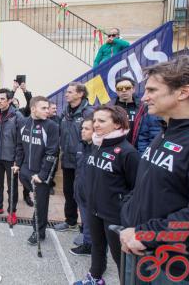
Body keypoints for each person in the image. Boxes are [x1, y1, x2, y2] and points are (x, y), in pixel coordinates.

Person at [120, 56, 189, 284]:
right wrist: (129, 216)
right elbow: (145, 186)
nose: (144, 98)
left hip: (179, 270)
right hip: (146, 256)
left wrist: (147, 234)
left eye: (152, 90)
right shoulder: (165, 132)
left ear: (183, 92)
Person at [73, 105, 139, 285]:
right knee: (97, 247)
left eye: (102, 121)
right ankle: (95, 277)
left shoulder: (128, 152)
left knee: (121, 258)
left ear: (117, 124)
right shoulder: (96, 144)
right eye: (94, 120)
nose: (96, 125)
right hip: (93, 209)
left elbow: (135, 188)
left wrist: (122, 210)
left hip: (114, 215)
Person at [13, 96, 59, 245]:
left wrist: (43, 175)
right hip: (26, 170)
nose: (47, 111)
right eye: (43, 108)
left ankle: (39, 232)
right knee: (38, 201)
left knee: (41, 203)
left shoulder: (51, 126)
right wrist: (17, 164)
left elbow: (52, 153)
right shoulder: (24, 123)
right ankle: (37, 223)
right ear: (33, 109)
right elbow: (20, 146)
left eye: (48, 108)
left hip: (41, 173)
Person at [55, 82, 93, 232]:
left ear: (80, 94)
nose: (66, 94)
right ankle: (70, 221)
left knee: (83, 194)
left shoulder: (89, 112)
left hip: (82, 160)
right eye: (67, 92)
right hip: (67, 160)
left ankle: (87, 227)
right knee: (68, 192)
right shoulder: (64, 113)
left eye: (70, 92)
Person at [0, 88, 25, 225]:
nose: (0, 101)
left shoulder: (17, 116)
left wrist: (17, 160)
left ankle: (12, 211)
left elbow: (21, 141)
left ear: (9, 101)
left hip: (11, 158)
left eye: (3, 99)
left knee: (12, 186)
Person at [69, 116, 94, 256]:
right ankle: (87, 241)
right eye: (82, 128)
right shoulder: (81, 145)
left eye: (87, 129)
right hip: (80, 189)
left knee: (90, 221)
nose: (82, 131)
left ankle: (89, 246)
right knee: (85, 219)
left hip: (90, 193)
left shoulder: (97, 149)